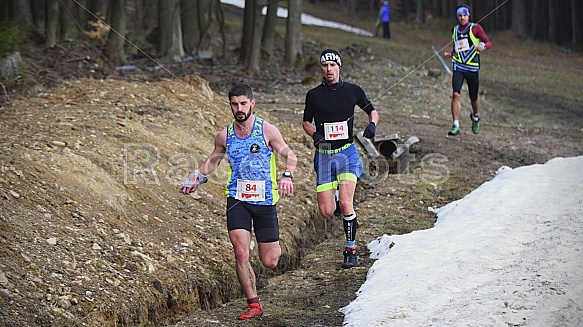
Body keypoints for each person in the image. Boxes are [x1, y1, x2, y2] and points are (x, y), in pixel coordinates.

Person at [179, 84, 297, 320]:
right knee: (241, 252)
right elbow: (213, 160)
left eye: (243, 104)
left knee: (270, 260)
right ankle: (254, 304)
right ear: (230, 105)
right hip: (237, 199)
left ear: (252, 103)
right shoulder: (225, 135)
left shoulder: (267, 130)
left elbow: (290, 155)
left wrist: (287, 175)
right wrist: (196, 176)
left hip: (264, 200)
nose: (239, 108)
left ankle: (271, 251)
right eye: (235, 104)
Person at [302, 49, 379, 269]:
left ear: (339, 67)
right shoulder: (314, 95)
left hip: (347, 152)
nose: (328, 69)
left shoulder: (353, 91)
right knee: (326, 211)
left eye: (332, 65)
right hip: (325, 155)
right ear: (321, 68)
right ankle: (339, 201)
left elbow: (372, 111)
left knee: (346, 203)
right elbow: (306, 122)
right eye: (325, 66)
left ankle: (350, 250)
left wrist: (372, 125)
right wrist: (315, 134)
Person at [444, 5, 492, 136]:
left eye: (464, 15)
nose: (462, 18)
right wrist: (451, 54)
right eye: (460, 16)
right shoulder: (455, 30)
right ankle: (456, 124)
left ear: (468, 16)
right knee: (455, 94)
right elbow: (458, 46)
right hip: (458, 66)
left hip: (472, 67)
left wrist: (482, 46)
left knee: (473, 96)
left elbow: (488, 43)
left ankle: (476, 117)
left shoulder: (475, 28)